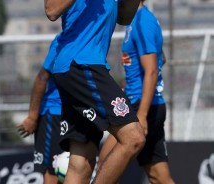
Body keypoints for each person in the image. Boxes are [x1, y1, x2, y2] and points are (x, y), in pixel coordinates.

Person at [44, 0, 146, 184]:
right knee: (133, 138)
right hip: (80, 64)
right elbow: (51, 10)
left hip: (80, 67)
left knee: (81, 163)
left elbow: (124, 17)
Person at [98, 1, 175, 183]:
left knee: (105, 162)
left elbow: (152, 70)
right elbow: (160, 58)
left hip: (141, 106)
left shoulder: (142, 21)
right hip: (145, 103)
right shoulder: (138, 20)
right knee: (159, 177)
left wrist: (141, 114)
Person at [17, 37, 63, 184]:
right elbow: (42, 77)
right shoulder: (62, 41)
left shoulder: (92, 38)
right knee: (53, 170)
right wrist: (32, 117)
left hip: (78, 115)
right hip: (55, 114)